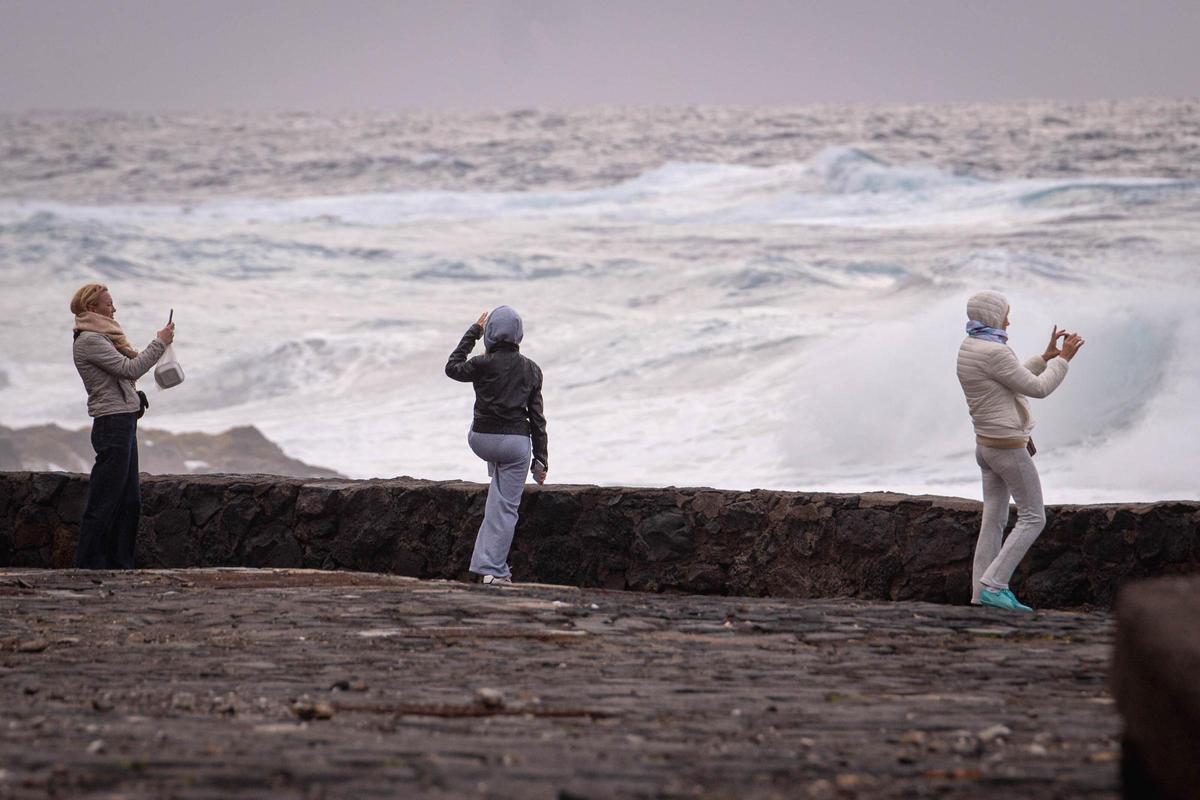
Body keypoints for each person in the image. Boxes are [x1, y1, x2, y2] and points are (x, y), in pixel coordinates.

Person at [956, 290, 1084, 612]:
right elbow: (1037, 389)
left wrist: (1044, 358)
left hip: (985, 447)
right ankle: (994, 586)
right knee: (1033, 517)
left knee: (994, 520)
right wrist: (1065, 361)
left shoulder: (971, 346)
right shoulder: (995, 352)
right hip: (1007, 448)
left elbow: (1011, 379)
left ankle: (979, 594)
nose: (1009, 320)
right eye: (1005, 314)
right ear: (993, 316)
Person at [70, 284, 174, 569]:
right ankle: (88, 563)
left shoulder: (104, 338)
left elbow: (122, 376)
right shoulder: (90, 340)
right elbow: (130, 369)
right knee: (106, 499)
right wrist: (160, 343)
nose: (113, 309)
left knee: (130, 501)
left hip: (123, 421)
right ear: (92, 308)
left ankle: (120, 564)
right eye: (108, 304)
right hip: (112, 424)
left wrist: (133, 398)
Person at [445, 306, 548, 585]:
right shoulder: (531, 369)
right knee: (505, 509)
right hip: (515, 446)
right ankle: (496, 572)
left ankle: (483, 565)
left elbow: (452, 367)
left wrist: (474, 331)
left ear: (491, 333)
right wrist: (541, 461)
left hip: (480, 440)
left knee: (496, 501)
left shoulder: (482, 364)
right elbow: (537, 419)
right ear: (519, 335)